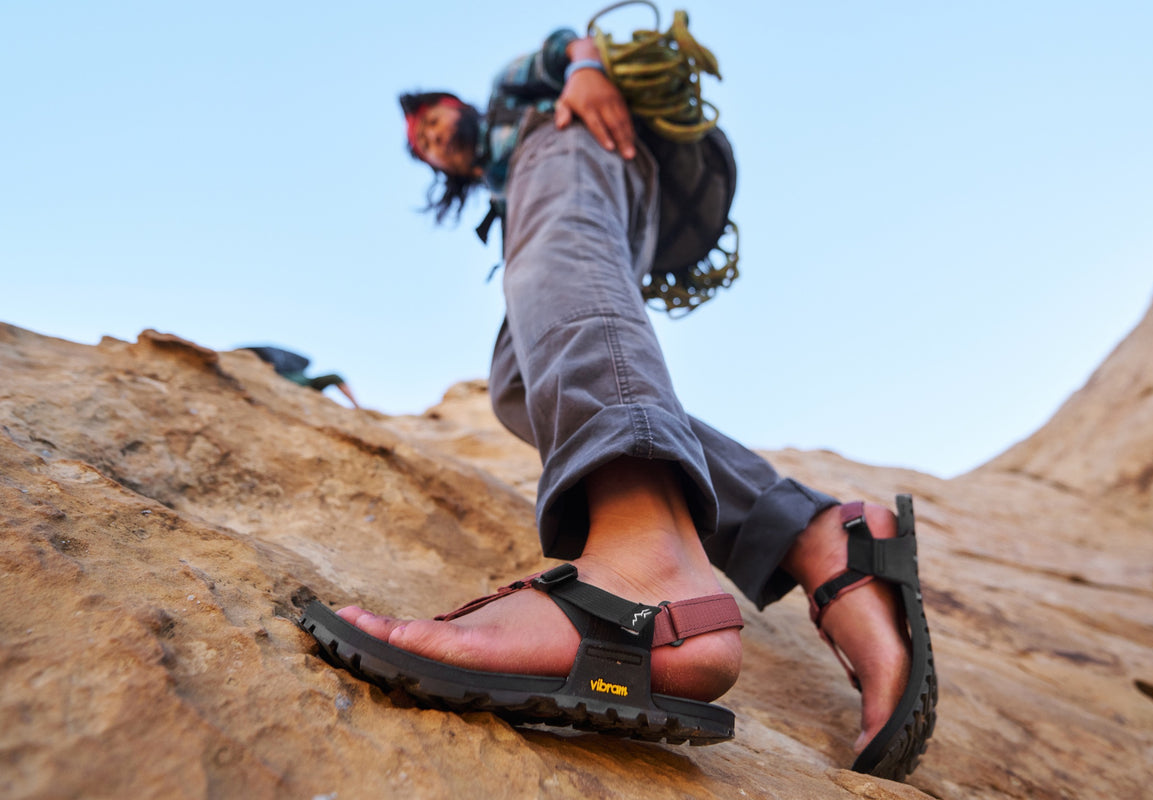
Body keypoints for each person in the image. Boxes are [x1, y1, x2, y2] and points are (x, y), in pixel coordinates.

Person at [299, 21, 936, 781]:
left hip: (569, 145)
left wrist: (587, 71)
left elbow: (565, 38)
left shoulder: (518, 104)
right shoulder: (502, 178)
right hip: (597, 180)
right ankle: (814, 531)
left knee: (559, 253)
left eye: (433, 123)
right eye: (424, 147)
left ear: (456, 106)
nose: (436, 142)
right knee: (518, 383)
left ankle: (649, 565)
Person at [240, 345, 361, 409]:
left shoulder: (295, 365)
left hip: (306, 382)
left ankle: (355, 404)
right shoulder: (271, 364)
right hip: (291, 383)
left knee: (334, 376)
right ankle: (355, 404)